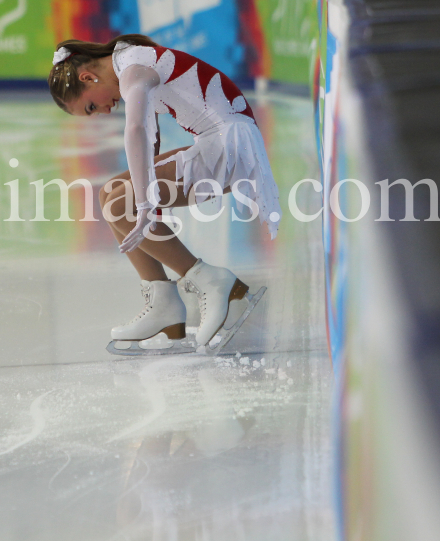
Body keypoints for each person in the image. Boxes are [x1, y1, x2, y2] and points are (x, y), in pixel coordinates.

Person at [48, 34, 280, 347]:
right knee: (112, 195)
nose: (102, 112)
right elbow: (150, 139)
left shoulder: (133, 71)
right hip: (222, 140)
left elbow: (137, 130)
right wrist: (144, 197)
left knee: (119, 206)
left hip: (230, 147)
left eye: (91, 105)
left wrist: (143, 203)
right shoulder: (130, 61)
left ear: (88, 76)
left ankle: (211, 281)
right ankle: (163, 303)